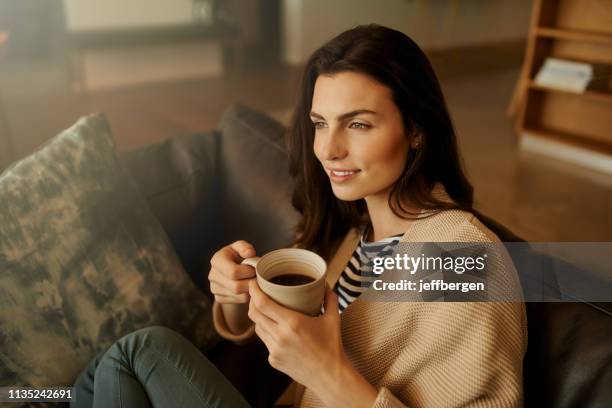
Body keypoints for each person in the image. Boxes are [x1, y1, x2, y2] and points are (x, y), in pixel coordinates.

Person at [72, 24, 526, 407]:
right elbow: (270, 335)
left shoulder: (464, 257)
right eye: (321, 123)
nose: (328, 149)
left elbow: (318, 365)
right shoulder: (356, 231)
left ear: (416, 130)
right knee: (100, 376)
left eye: (358, 124)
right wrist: (233, 296)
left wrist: (326, 372)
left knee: (138, 352)